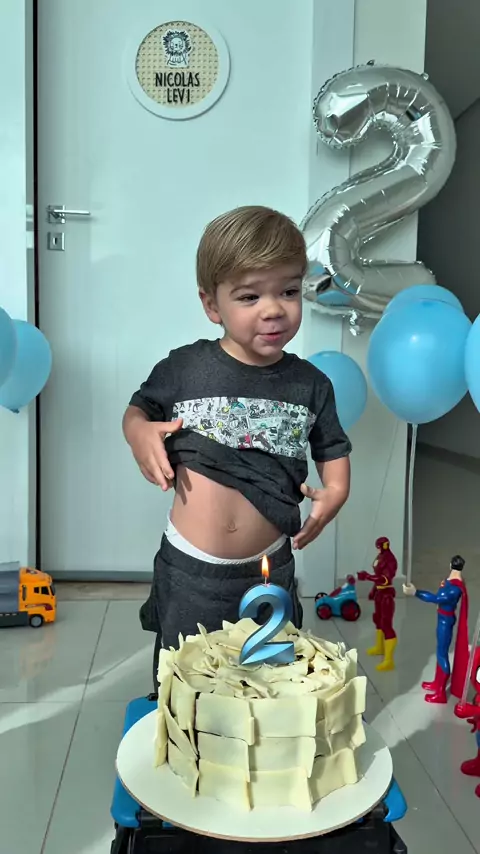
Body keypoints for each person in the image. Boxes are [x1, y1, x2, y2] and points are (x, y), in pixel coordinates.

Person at [122, 205, 352, 687]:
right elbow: (138, 410)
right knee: (186, 680)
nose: (273, 309)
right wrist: (139, 432)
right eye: (249, 296)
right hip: (191, 568)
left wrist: (335, 491)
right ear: (212, 305)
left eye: (288, 291)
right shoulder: (185, 368)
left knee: (268, 683)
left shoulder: (311, 384)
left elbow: (332, 448)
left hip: (268, 568)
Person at [403, 555, 469, 704]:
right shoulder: (452, 581)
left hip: (445, 621)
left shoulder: (454, 588)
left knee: (441, 654)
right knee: (440, 651)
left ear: (450, 564)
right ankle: (437, 682)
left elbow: (435, 598)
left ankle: (440, 693)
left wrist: (415, 592)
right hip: (443, 618)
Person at [357, 536, 398, 672]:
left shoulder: (390, 560)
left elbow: (385, 579)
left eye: (379, 547)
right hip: (379, 593)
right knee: (378, 620)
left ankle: (389, 660)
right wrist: (373, 590)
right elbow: (378, 576)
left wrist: (367, 577)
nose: (378, 549)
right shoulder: (380, 557)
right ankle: (379, 647)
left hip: (386, 595)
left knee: (386, 624)